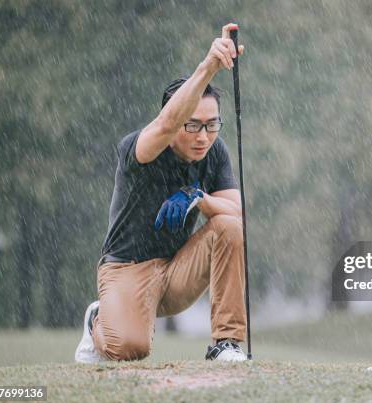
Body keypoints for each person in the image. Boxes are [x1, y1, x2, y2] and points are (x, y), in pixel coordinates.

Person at [75, 23, 247, 363]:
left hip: (177, 270)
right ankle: (99, 318)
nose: (204, 135)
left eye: (212, 124)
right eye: (193, 124)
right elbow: (168, 123)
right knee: (129, 350)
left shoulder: (214, 150)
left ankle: (226, 342)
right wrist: (210, 65)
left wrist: (200, 196)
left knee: (230, 225)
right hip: (128, 269)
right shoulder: (140, 147)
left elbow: (237, 211)